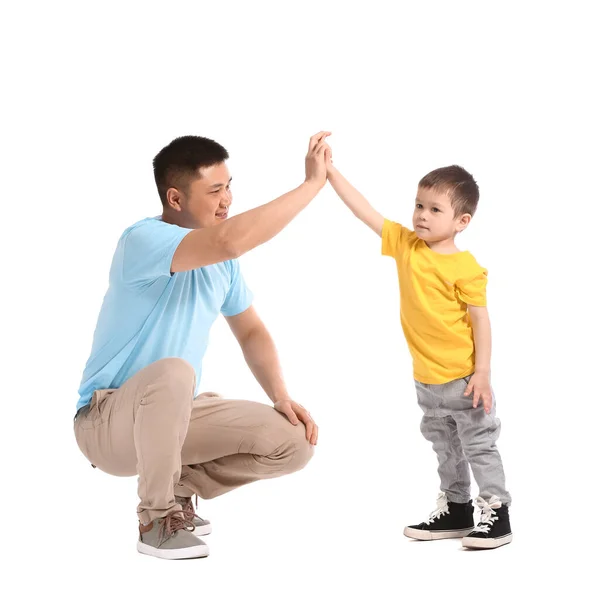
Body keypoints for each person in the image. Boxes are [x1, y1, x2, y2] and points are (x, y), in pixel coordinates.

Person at [73, 131, 331, 560]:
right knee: (175, 372)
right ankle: (155, 519)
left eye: (229, 186)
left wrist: (281, 397)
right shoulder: (141, 241)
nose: (227, 200)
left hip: (172, 413)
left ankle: (178, 488)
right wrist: (310, 186)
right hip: (105, 421)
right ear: (175, 199)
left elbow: (251, 332)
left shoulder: (223, 266)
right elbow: (229, 238)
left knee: (293, 442)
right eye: (214, 190)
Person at [324, 141, 512, 550]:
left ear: (462, 220)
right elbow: (364, 211)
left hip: (463, 379)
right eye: (419, 205)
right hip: (426, 379)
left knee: (479, 445)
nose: (422, 215)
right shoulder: (406, 246)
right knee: (445, 447)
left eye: (434, 209)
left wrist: (482, 373)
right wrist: (330, 172)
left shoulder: (465, 267)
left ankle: (496, 512)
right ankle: (458, 509)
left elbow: (481, 319)